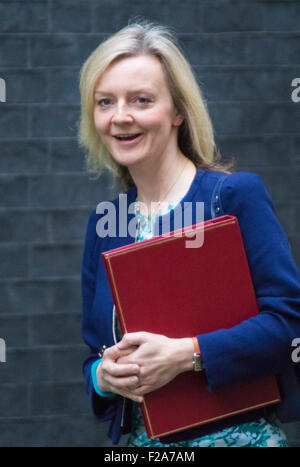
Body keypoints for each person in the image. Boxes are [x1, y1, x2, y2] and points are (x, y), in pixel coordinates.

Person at [79, 21, 300, 447]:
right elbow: (93, 354)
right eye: (105, 102)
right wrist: (103, 377)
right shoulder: (106, 221)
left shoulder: (232, 196)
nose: (120, 116)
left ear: (178, 111)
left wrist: (187, 355)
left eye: (141, 100)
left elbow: (290, 324)